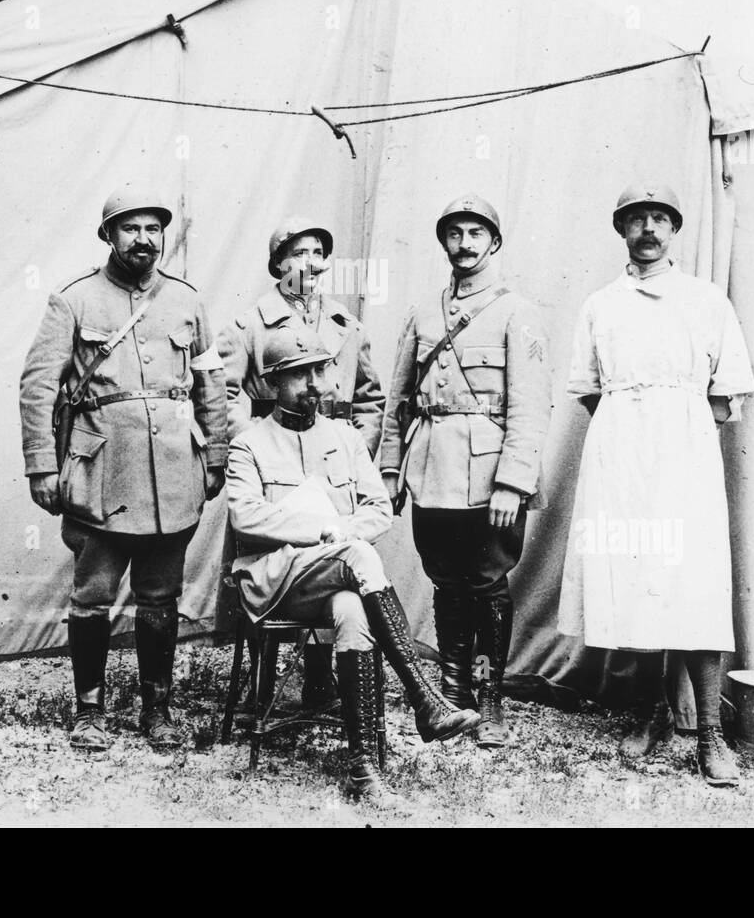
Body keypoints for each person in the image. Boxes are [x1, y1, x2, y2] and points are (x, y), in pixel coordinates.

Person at [227, 324, 479, 803]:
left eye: (319, 371)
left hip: (338, 575)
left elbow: (379, 509)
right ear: (271, 383)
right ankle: (424, 696)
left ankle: (362, 767)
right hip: (275, 578)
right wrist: (321, 530)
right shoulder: (250, 444)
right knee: (357, 554)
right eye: (299, 375)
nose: (314, 385)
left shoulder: (345, 438)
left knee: (353, 610)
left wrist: (341, 535)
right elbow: (244, 515)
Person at [558, 183, 754, 786]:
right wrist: (631, 430)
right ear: (622, 230)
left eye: (659, 219)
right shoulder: (601, 304)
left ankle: (709, 739)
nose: (648, 229)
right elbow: (590, 389)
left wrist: (681, 431)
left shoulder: (706, 299)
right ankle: (651, 713)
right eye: (636, 219)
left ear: (674, 230)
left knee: (692, 582)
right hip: (620, 452)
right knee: (635, 574)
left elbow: (728, 393)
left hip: (685, 452)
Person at [20, 187, 228, 751]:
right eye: (130, 228)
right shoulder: (75, 300)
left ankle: (156, 709)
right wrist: (42, 465)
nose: (143, 239)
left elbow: (211, 384)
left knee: (160, 598)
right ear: (107, 236)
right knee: (93, 595)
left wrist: (215, 456)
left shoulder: (187, 301)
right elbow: (38, 387)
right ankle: (89, 710)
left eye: (153, 230)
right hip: (102, 473)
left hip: (173, 477)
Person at [379, 195, 553, 749]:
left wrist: (512, 481)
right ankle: (452, 693)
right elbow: (397, 399)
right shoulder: (423, 314)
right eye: (454, 233)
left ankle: (490, 694)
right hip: (430, 467)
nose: (465, 244)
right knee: (446, 581)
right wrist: (389, 468)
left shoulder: (516, 312)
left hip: (489, 478)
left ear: (494, 243)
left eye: (476, 233)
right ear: (444, 242)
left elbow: (531, 405)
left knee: (487, 582)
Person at [218, 216, 385, 708]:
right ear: (277, 264)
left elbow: (371, 399)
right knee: (271, 565)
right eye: (296, 253)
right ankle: (261, 684)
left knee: (336, 569)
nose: (308, 262)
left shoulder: (346, 327)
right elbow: (226, 393)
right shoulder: (248, 325)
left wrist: (353, 448)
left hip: (331, 460)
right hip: (275, 468)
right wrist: (257, 441)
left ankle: (321, 683)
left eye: (317, 252)